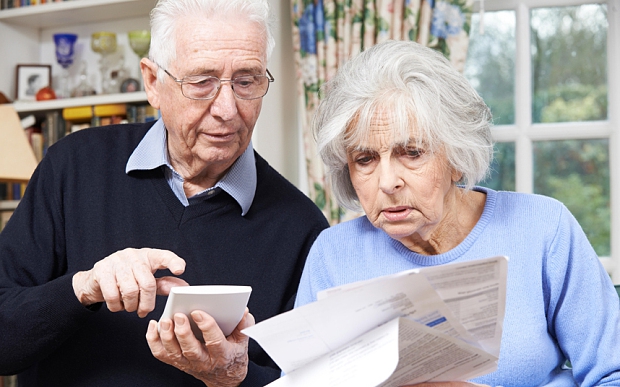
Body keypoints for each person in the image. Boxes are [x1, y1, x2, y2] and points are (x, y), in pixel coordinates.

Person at [0, 0, 328, 386]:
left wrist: (236, 377)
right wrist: (82, 288)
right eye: (202, 81)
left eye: (246, 81)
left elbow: (312, 378)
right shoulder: (72, 165)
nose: (227, 109)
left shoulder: (302, 226)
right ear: (153, 82)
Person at [294, 39, 620, 387]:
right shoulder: (332, 255)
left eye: (412, 152)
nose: (387, 182)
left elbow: (612, 376)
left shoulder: (544, 228)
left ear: (456, 157)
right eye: (365, 159)